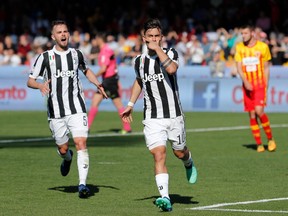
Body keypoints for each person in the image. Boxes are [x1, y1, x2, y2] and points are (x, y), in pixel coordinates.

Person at [120, 18, 197, 212]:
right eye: (150, 36)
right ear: (143, 37)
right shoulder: (138, 61)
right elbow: (139, 81)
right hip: (152, 117)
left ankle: (188, 161)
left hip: (174, 115)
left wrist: (158, 49)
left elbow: (171, 69)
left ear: (162, 37)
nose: (153, 39)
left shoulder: (170, 53)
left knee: (179, 151)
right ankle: (165, 197)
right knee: (159, 154)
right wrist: (130, 104)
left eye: (157, 36)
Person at [27, 20, 107, 198]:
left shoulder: (76, 54)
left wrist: (98, 84)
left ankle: (82, 185)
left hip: (77, 107)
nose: (63, 34)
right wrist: (40, 86)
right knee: (63, 149)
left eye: (65, 31)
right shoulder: (45, 57)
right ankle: (67, 158)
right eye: (59, 32)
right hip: (56, 111)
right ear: (53, 36)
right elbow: (30, 80)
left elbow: (86, 70)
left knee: (81, 143)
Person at [234, 24, 276, 153]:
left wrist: (266, 85)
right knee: (252, 114)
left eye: (245, 33)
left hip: (259, 84)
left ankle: (270, 139)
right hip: (247, 85)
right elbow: (239, 67)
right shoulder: (240, 47)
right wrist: (245, 82)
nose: (243, 36)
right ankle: (259, 144)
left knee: (259, 111)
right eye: (242, 34)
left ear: (252, 33)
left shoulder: (262, 47)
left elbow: (266, 67)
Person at [87, 32, 131, 134]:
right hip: (112, 80)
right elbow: (114, 65)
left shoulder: (105, 51)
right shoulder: (107, 50)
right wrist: (117, 80)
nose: (94, 41)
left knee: (95, 102)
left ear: (99, 40)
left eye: (96, 39)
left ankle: (87, 128)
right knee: (119, 104)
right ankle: (127, 127)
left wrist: (93, 77)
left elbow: (103, 68)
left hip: (108, 81)